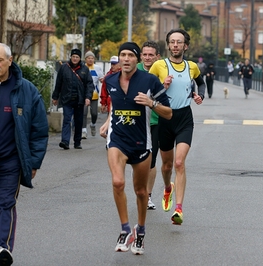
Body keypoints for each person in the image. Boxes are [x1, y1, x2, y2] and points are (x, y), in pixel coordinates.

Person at [99, 42, 172, 255]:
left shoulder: (149, 80)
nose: (126, 59)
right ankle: (124, 229)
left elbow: (168, 113)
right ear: (119, 58)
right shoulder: (111, 80)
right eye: (122, 55)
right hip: (117, 140)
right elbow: (116, 104)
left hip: (141, 142)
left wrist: (151, 103)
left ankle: (140, 230)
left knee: (140, 191)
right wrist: (107, 121)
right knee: (118, 182)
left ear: (137, 59)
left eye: (130, 55)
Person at [0, 43, 49, 266]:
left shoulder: (27, 90)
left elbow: (39, 130)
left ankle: (3, 248)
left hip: (12, 161)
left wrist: (33, 161)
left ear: (10, 61)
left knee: (5, 203)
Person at [149, 28, 205, 225]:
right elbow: (148, 92)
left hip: (184, 118)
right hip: (164, 117)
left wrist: (200, 95)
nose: (175, 45)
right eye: (172, 42)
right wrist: (161, 87)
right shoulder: (158, 65)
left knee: (179, 163)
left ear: (185, 46)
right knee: (167, 165)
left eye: (179, 42)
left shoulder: (192, 66)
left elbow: (201, 82)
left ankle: (179, 209)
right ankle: (167, 188)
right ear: (168, 45)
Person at [52, 48, 94, 150]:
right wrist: (55, 97)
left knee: (78, 121)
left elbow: (89, 84)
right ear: (70, 57)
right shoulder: (64, 68)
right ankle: (65, 141)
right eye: (73, 56)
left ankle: (77, 141)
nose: (75, 59)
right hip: (67, 99)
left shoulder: (84, 69)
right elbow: (59, 83)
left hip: (79, 99)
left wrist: (88, 97)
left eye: (77, 57)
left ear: (80, 58)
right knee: (67, 119)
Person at [137, 40, 161, 210]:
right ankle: (140, 192)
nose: (147, 58)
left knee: (151, 160)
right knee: (138, 160)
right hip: (136, 120)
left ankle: (148, 195)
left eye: (151, 55)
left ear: (157, 56)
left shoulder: (162, 71)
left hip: (156, 121)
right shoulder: (134, 69)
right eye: (144, 54)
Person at [82, 51, 104, 138]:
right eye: (88, 58)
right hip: (84, 94)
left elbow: (102, 79)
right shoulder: (83, 68)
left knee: (94, 113)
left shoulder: (97, 68)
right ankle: (84, 130)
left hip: (94, 94)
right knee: (84, 112)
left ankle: (93, 124)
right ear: (85, 59)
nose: (90, 60)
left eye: (92, 58)